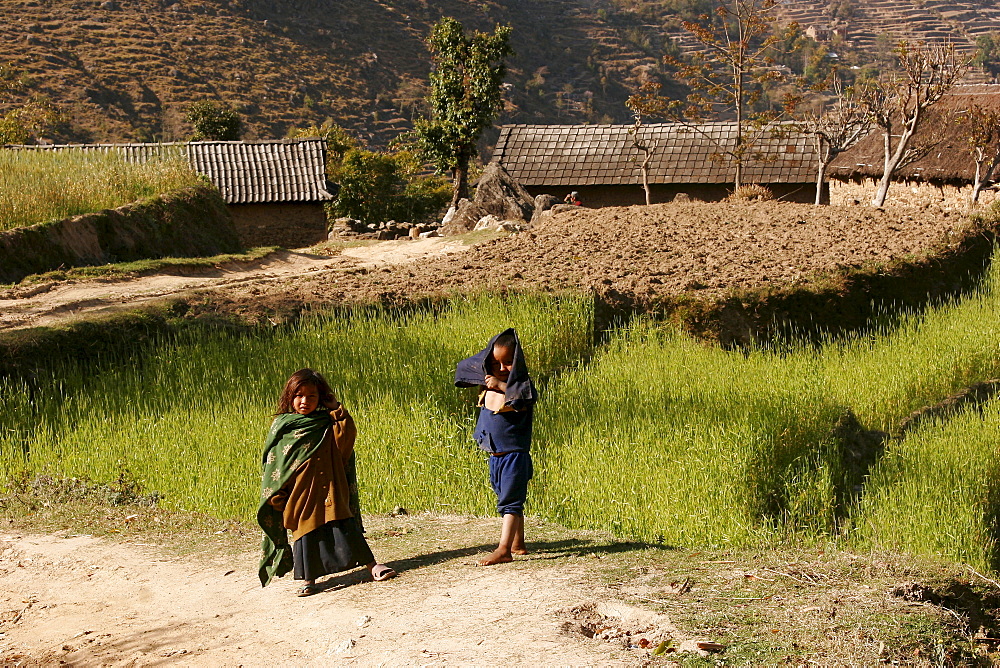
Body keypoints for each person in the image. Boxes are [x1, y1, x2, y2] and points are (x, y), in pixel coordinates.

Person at [257, 368, 396, 596]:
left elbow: (346, 439)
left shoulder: (327, 422)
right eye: (299, 396)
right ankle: (309, 579)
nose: (304, 401)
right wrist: (277, 492)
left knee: (344, 526)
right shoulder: (283, 427)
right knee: (305, 534)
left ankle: (372, 566)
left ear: (320, 398)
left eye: (312, 396)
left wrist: (336, 409)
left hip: (330, 485)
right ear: (290, 398)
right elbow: (275, 464)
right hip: (300, 492)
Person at [454, 329, 537, 566]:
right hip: (496, 456)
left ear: (518, 363)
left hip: (514, 456)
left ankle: (504, 549)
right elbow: (467, 370)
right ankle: (518, 543)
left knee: (510, 503)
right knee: (508, 498)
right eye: (495, 362)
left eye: (509, 362)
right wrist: (488, 380)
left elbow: (520, 399)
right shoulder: (488, 386)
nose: (501, 368)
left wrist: (501, 385)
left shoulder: (523, 388)